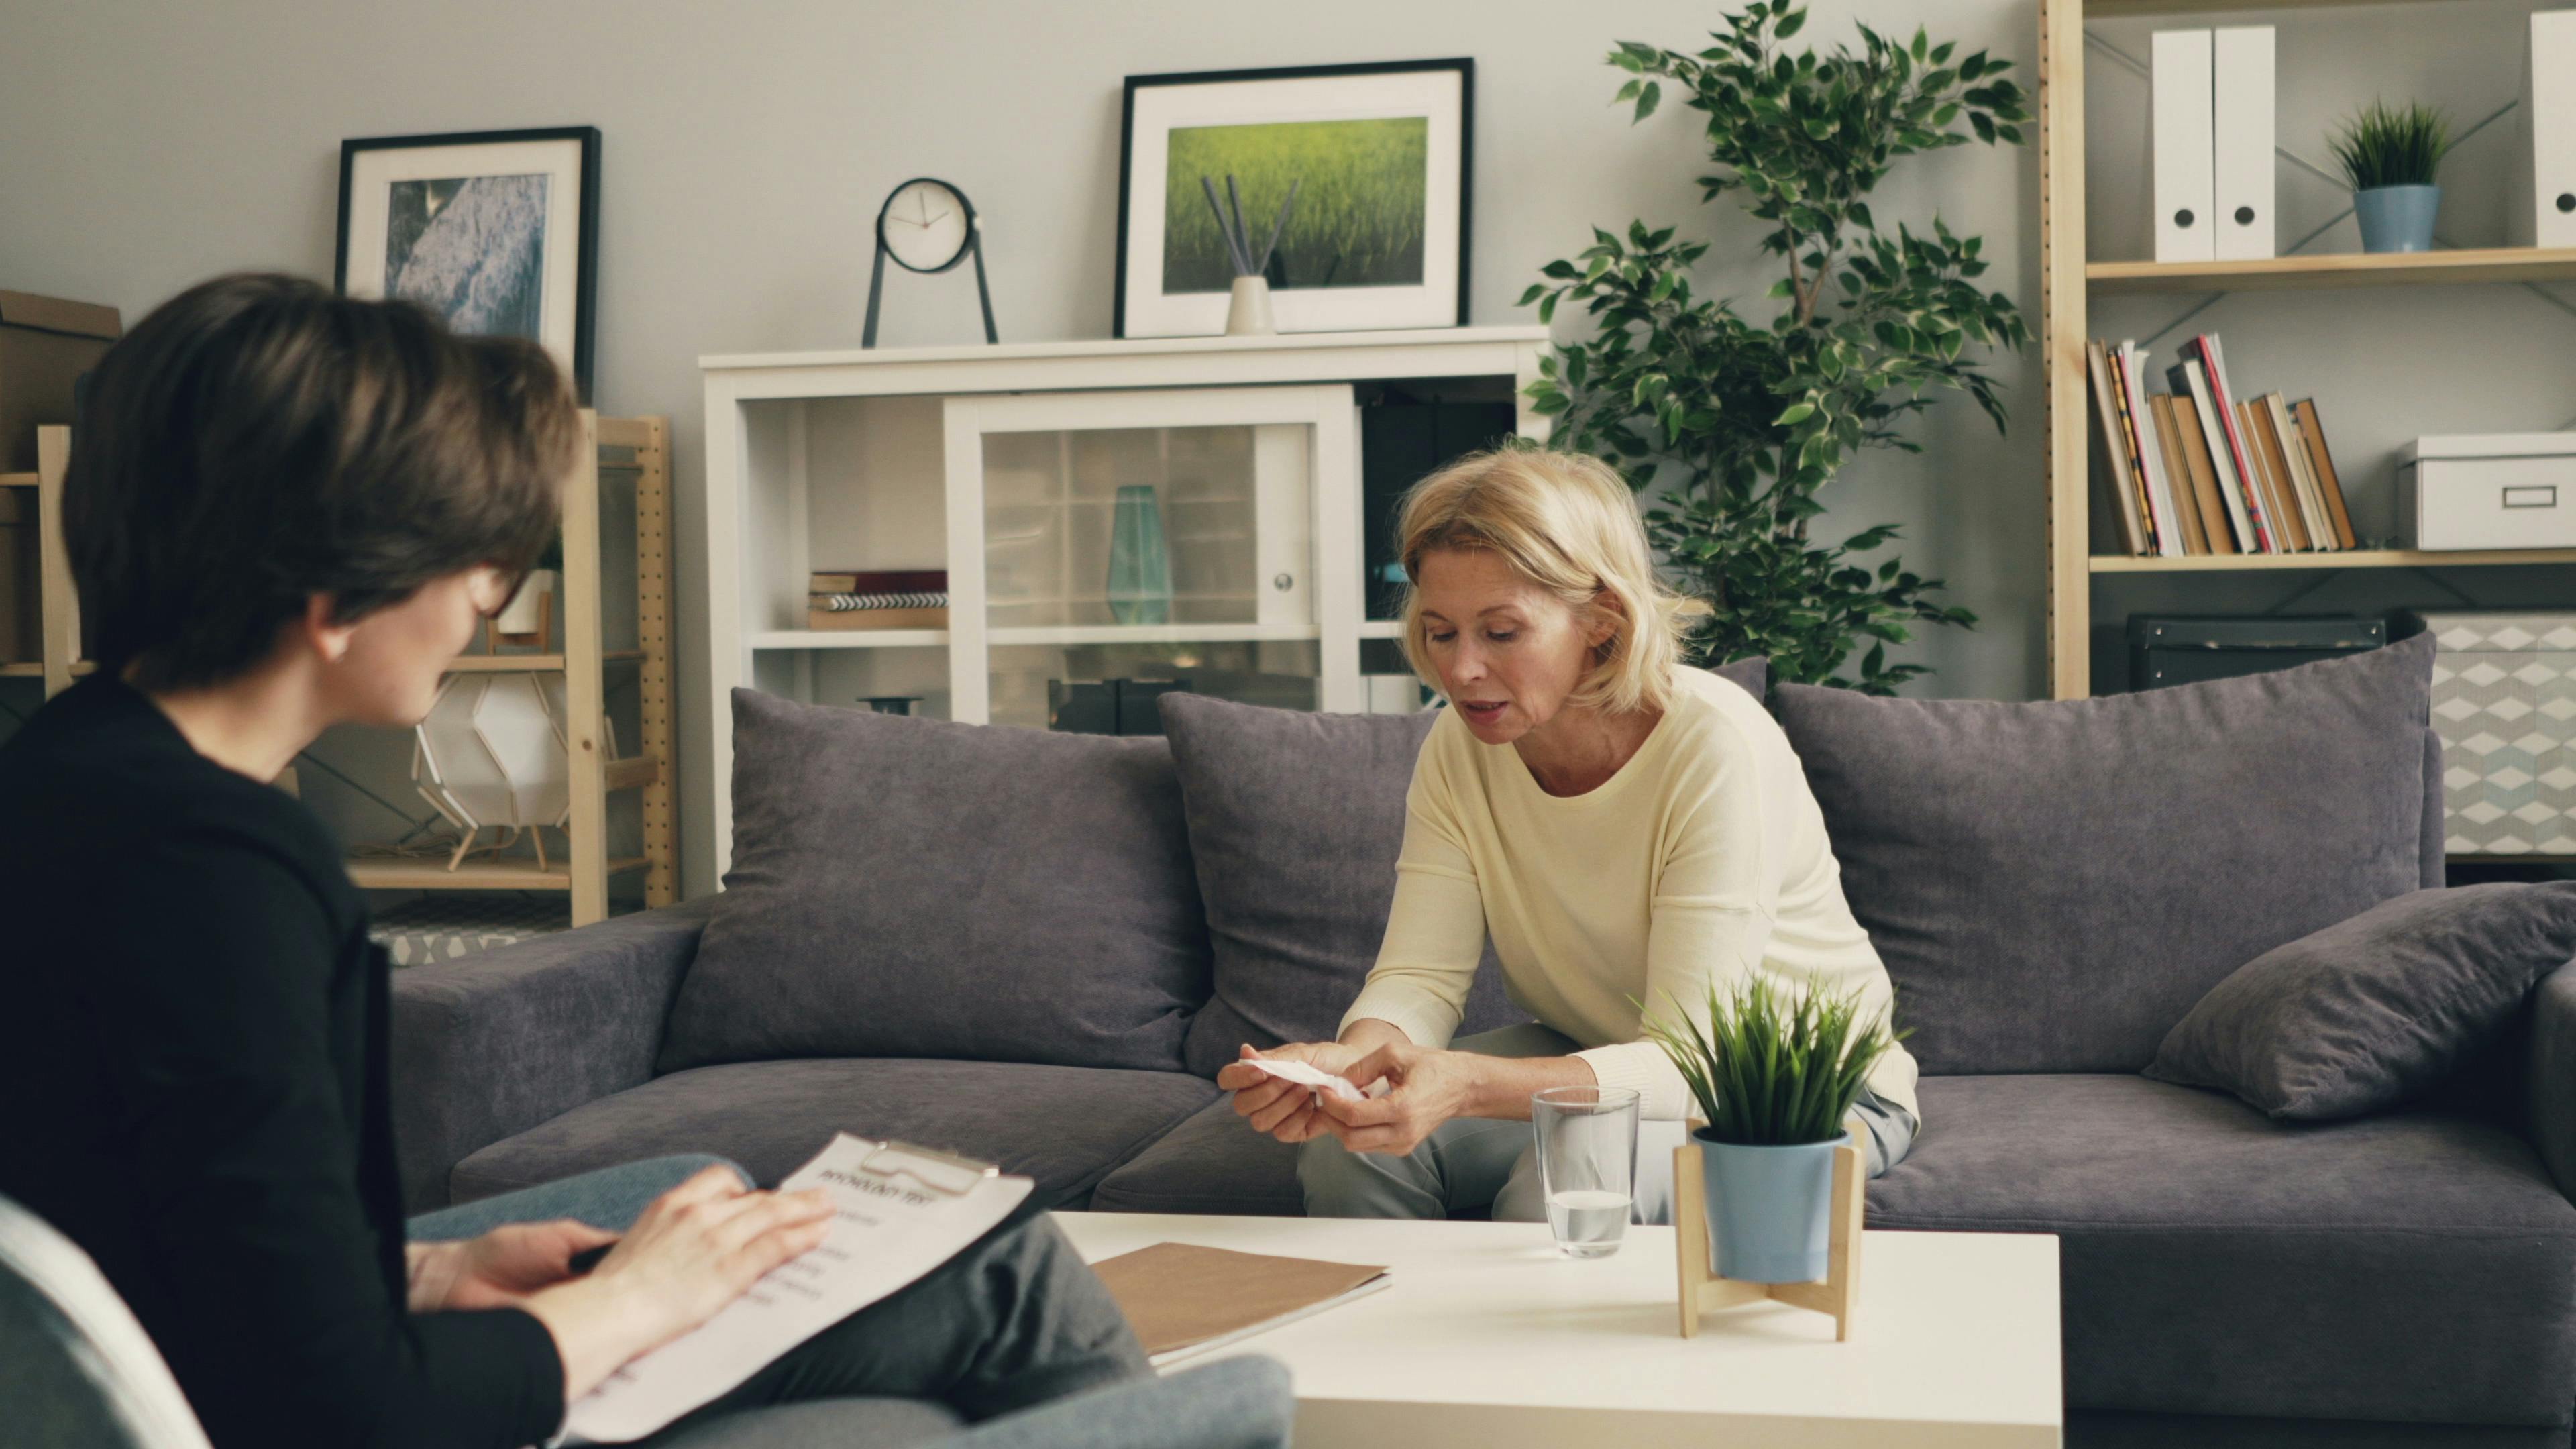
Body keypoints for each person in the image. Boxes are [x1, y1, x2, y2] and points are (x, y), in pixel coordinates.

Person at [0, 273, 1287, 1449]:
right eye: (481, 568)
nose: (484, 607)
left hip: (192, 1375)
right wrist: (627, 1310)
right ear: (336, 597)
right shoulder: (225, 880)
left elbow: (131, 1222)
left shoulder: (61, 780)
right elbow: (345, 1410)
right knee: (1135, 1384)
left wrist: (427, 1272)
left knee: (795, 1246)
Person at [1216, 446, 1921, 1223]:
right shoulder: (1456, 750)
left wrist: (1469, 1083)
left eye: (1502, 632)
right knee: (1352, 1144)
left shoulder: (1715, 747)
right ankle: (1393, 1345)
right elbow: (1420, 978)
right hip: (1598, 1056)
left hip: (1796, 1086)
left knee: (1572, 1178)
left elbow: (1691, 1064)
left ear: (1601, 620)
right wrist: (1353, 1066)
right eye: (1442, 632)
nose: (1463, 671)